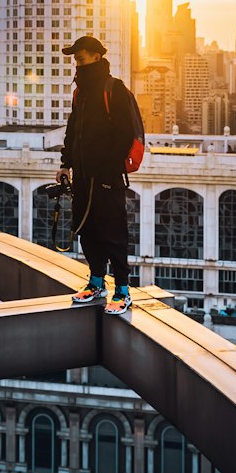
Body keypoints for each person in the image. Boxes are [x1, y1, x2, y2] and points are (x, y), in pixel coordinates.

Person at [55, 34, 137, 315]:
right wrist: (66, 164)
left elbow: (125, 133)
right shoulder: (81, 92)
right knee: (86, 229)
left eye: (81, 55)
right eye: (75, 56)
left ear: (97, 56)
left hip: (107, 177)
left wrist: (107, 168)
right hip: (83, 175)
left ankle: (123, 290)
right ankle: (96, 281)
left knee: (113, 232)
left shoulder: (112, 88)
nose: (76, 60)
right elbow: (73, 130)